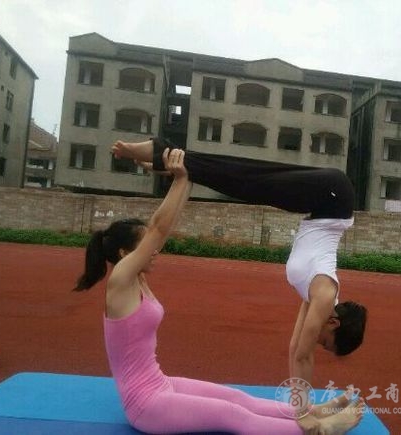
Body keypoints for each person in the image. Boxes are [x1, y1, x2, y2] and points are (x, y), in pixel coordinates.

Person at [74, 148, 364, 434]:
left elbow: (160, 230)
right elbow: (157, 230)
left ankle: (311, 411)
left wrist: (186, 177)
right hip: (144, 405)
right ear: (125, 254)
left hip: (161, 384)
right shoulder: (121, 280)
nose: (155, 252)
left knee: (238, 398)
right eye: (145, 248)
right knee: (232, 415)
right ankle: (318, 431)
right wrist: (181, 178)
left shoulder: (136, 279)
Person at [111, 139, 368, 386]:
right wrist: (306, 410)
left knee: (246, 179)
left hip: (326, 202)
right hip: (333, 197)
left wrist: (297, 406)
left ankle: (164, 155)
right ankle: (161, 153)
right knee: (248, 179)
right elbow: (303, 355)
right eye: (326, 343)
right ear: (334, 323)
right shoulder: (324, 295)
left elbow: (294, 348)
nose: (318, 343)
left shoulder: (314, 298)